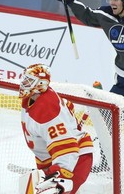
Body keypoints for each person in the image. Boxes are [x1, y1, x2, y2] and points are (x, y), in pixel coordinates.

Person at [18, 63, 94, 194]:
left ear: (41, 83)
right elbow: (69, 107)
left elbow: (67, 148)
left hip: (73, 161)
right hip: (56, 161)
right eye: (24, 79)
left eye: (29, 80)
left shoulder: (47, 108)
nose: (24, 83)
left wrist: (60, 173)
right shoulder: (33, 100)